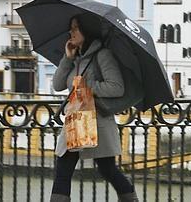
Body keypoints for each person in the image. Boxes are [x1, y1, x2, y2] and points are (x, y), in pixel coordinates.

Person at [50, 13, 138, 202]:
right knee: (63, 168)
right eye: (71, 28)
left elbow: (117, 87)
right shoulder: (76, 58)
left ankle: (130, 198)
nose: (70, 32)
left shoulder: (102, 55)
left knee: (107, 169)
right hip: (76, 121)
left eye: (75, 28)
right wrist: (67, 58)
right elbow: (57, 85)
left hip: (97, 123)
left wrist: (88, 87)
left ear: (86, 30)